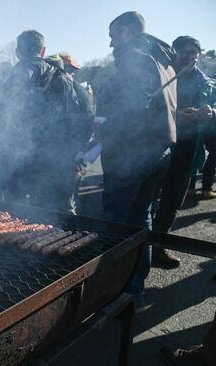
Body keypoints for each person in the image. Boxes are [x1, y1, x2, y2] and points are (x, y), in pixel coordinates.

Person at [99, 11, 177, 305]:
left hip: (132, 155)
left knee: (116, 223)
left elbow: (129, 112)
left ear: (128, 32)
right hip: (158, 152)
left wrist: (105, 128)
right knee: (140, 219)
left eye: (113, 35)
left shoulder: (136, 58)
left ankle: (112, 290)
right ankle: (135, 288)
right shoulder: (161, 58)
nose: (110, 44)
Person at [0, 30, 92, 214]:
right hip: (56, 161)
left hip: (17, 163)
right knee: (56, 215)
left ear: (17, 52)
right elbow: (87, 114)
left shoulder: (9, 79)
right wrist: (76, 152)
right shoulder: (66, 79)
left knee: (16, 215)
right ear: (43, 51)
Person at [152, 36, 216, 267]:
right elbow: (147, 107)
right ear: (174, 52)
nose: (189, 58)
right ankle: (140, 253)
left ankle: (158, 247)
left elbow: (215, 104)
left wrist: (211, 112)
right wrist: (174, 116)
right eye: (185, 52)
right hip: (160, 146)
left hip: (189, 149)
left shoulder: (205, 82)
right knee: (150, 200)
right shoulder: (162, 73)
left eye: (194, 54)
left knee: (171, 203)